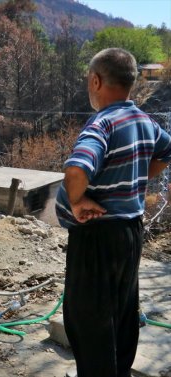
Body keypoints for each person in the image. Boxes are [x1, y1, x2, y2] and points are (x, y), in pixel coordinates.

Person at [56, 48, 171, 376]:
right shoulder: (144, 121)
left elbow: (76, 170)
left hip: (97, 239)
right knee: (120, 316)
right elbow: (168, 149)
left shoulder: (102, 123)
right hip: (130, 234)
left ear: (95, 81)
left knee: (89, 323)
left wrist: (77, 203)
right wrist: (141, 174)